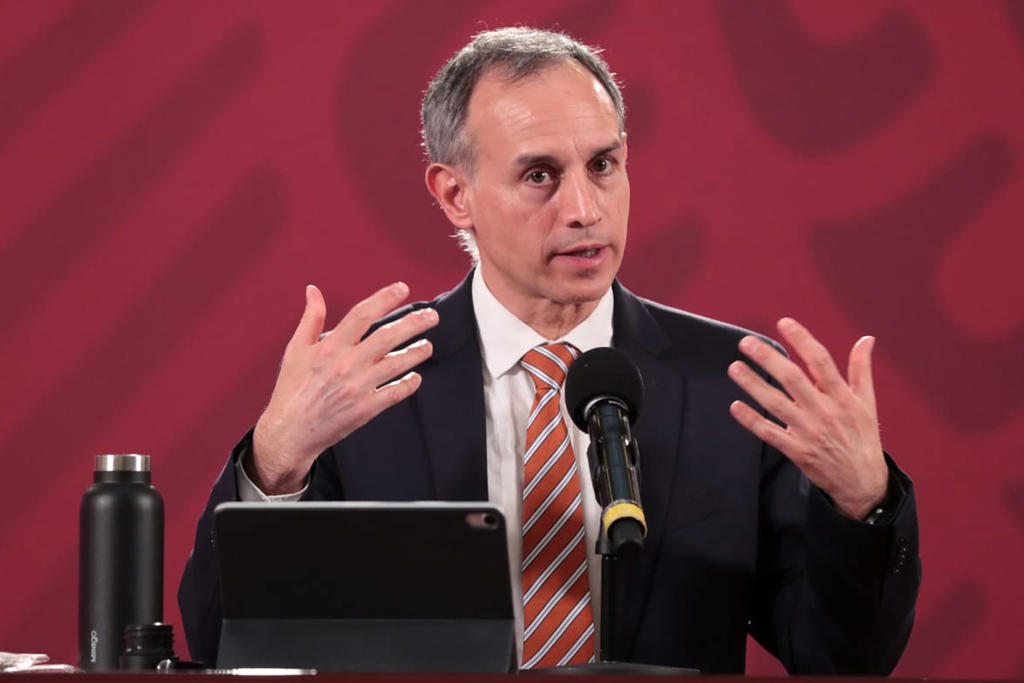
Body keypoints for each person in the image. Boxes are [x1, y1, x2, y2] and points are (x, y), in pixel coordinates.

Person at [179, 27, 919, 674]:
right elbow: (223, 646)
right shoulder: (369, 384)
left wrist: (864, 503)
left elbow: (844, 659)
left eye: (603, 165)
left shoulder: (732, 385)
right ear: (454, 194)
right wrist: (275, 462)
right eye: (540, 175)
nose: (584, 209)